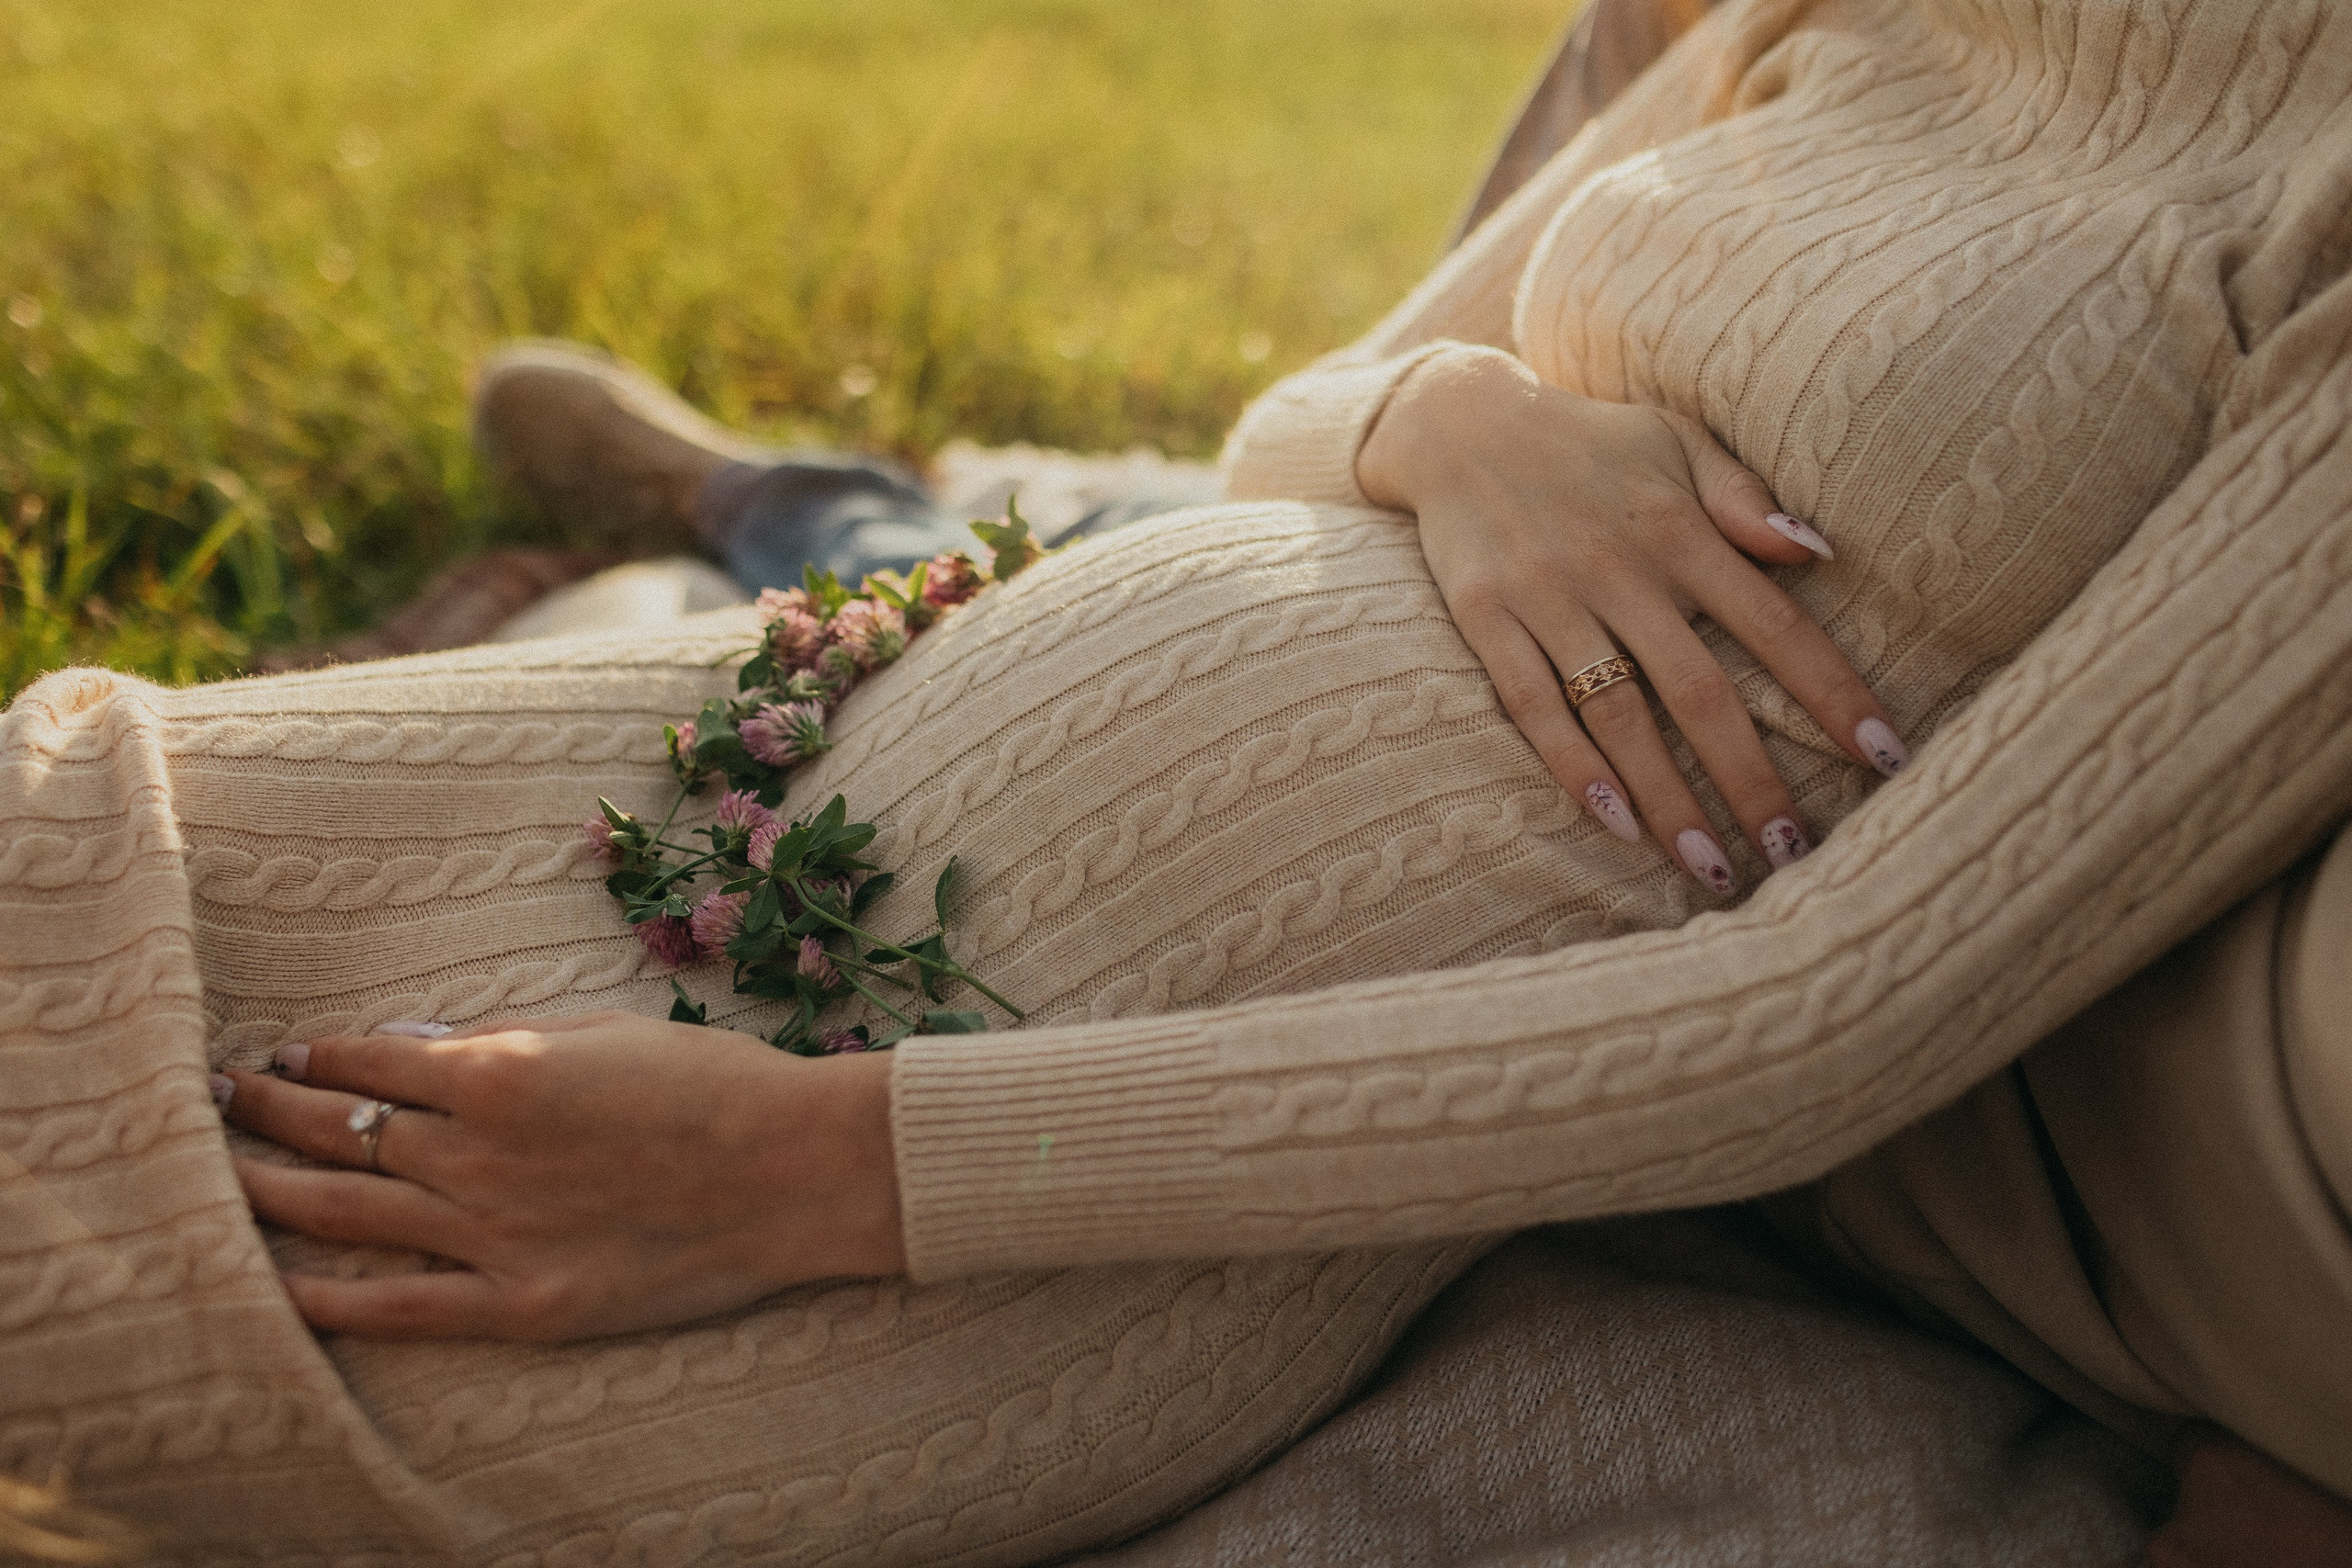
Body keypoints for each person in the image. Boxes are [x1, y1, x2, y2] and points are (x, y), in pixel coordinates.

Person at [5, 0, 2348, 1562]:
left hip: (983, 1167)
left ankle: (774, 496)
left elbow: (1833, 1016)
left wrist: (827, 1169)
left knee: (137, 1331)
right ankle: (777, 510)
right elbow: (1295, 408)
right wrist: (1453, 424)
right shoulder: (1852, 10)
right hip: (789, 728)